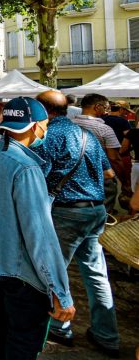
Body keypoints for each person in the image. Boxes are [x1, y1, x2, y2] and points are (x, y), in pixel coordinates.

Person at [0, 97, 75, 359]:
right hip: (23, 276)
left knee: (0, 331)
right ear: (33, 127)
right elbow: (39, 235)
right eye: (44, 124)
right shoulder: (26, 168)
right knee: (21, 342)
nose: (45, 130)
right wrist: (60, 291)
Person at [34, 91, 120, 356]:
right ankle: (107, 335)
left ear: (43, 111)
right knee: (96, 274)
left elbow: (36, 175)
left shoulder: (48, 137)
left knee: (54, 272)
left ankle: (60, 327)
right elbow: (109, 173)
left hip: (67, 212)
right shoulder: (88, 136)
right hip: (95, 212)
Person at [72, 94, 122, 211]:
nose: (107, 111)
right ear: (98, 107)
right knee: (103, 214)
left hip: (73, 177)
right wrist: (125, 182)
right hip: (101, 177)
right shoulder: (104, 129)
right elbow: (114, 158)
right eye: (106, 108)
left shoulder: (69, 124)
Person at [102, 101, 134, 207]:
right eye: (125, 111)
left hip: (105, 154)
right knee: (126, 180)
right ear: (121, 110)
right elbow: (128, 138)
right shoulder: (123, 121)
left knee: (107, 180)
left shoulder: (102, 120)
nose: (126, 114)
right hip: (121, 154)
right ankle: (128, 203)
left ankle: (108, 205)